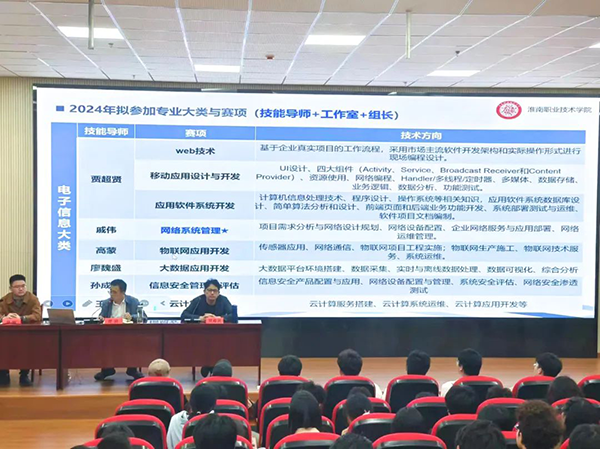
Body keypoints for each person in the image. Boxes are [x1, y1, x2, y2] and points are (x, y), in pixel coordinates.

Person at [94, 279, 145, 381]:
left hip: (129, 333)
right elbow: (102, 317)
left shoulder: (133, 302)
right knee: (103, 341)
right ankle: (107, 369)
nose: (111, 294)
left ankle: (132, 369)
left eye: (115, 292)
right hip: (110, 333)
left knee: (134, 341)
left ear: (123, 293)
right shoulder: (106, 303)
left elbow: (143, 318)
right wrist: (100, 318)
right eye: (110, 291)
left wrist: (132, 317)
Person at [0, 274, 42, 386]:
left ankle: (24, 375)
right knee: (2, 345)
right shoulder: (5, 299)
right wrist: (4, 318)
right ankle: (3, 373)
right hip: (8, 335)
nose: (21, 289)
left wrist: (22, 318)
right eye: (17, 286)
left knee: (28, 347)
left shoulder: (33, 299)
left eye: (23, 286)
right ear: (11, 288)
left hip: (27, 334)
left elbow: (37, 316)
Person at [167, 383, 218, 449]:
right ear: (214, 405)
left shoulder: (175, 420)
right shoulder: (219, 425)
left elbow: (169, 445)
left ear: (190, 403)